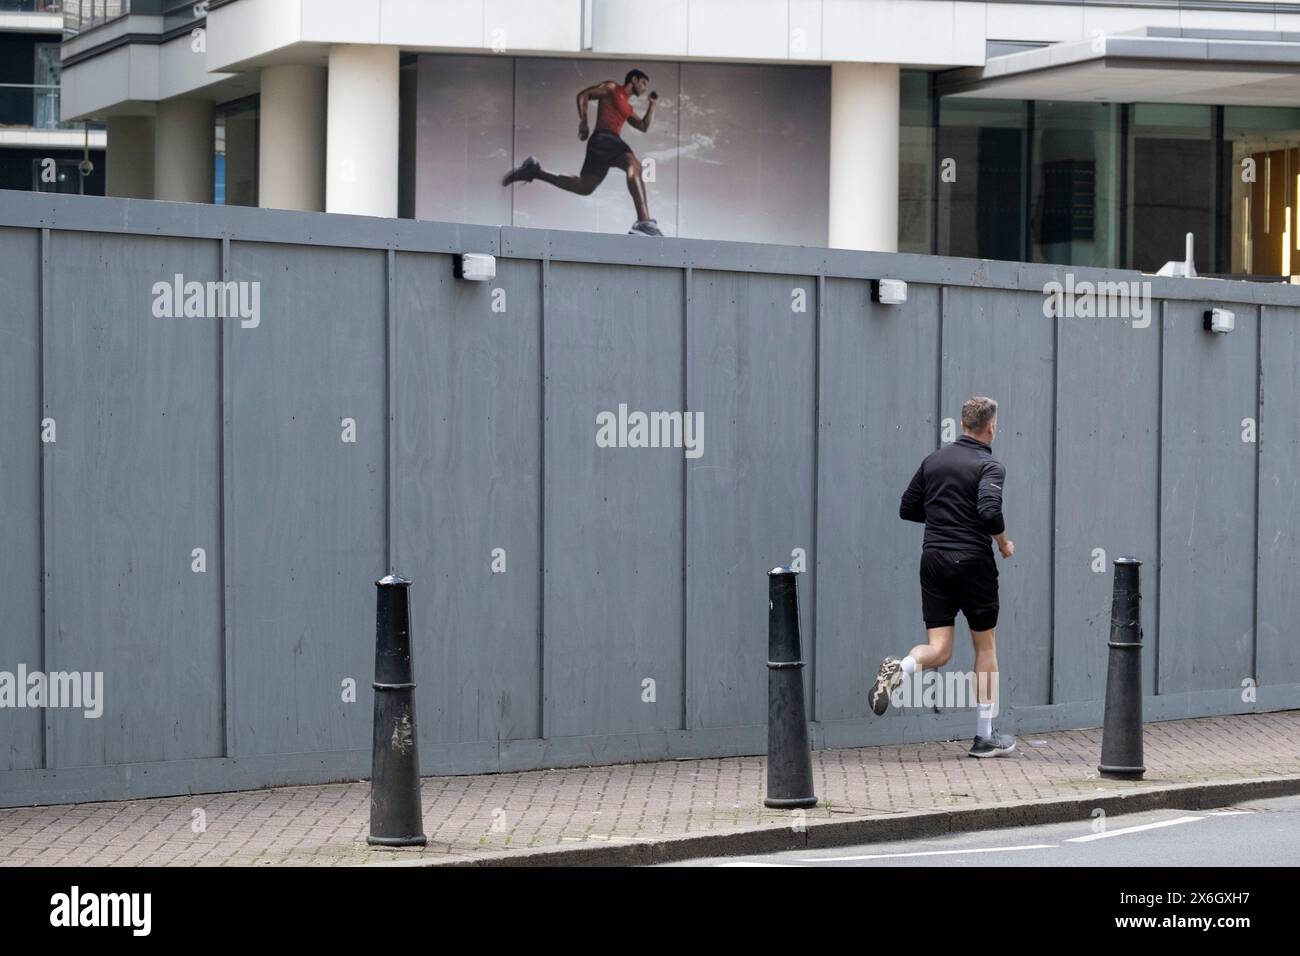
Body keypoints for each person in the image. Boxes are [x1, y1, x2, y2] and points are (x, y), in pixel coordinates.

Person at [870, 396, 1017, 758]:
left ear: (963, 423)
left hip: (933, 559)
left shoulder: (933, 461)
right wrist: (1003, 542)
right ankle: (984, 737)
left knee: (939, 649)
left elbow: (907, 507)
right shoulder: (989, 465)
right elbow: (989, 511)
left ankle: (900, 667)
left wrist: (942, 519)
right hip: (972, 561)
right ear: (990, 426)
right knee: (985, 646)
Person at [501, 69, 662, 236]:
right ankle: (644, 222)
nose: (644, 88)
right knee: (633, 164)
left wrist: (652, 104)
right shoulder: (612, 88)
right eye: (643, 83)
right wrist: (584, 122)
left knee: (584, 187)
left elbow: (643, 126)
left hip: (606, 144)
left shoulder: (627, 108)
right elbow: (583, 95)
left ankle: (536, 171)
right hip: (604, 139)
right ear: (634, 79)